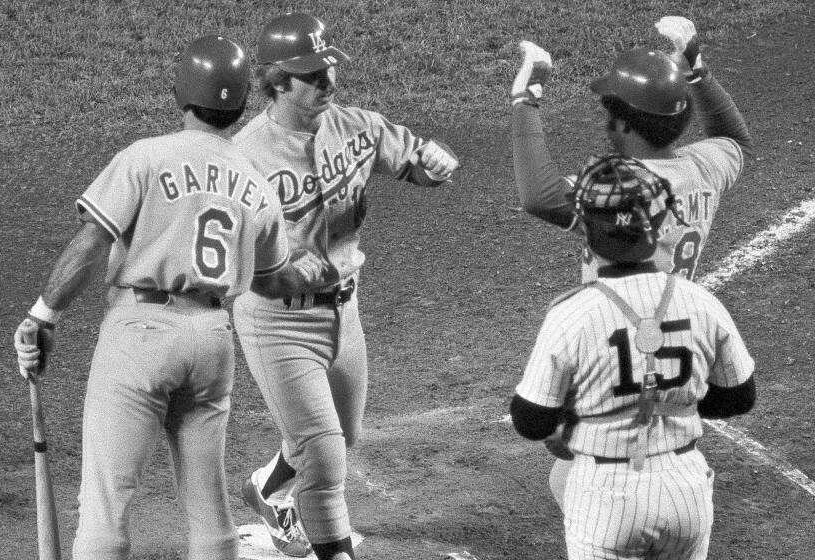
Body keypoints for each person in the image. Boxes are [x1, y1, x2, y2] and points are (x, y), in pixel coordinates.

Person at [12, 35, 324, 560]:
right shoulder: (256, 180)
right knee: (209, 507)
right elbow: (274, 280)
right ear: (245, 100)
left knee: (107, 503)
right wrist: (307, 273)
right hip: (212, 342)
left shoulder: (145, 157)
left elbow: (92, 243)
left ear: (179, 91)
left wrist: (43, 316)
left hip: (141, 335)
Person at [231, 12, 460, 560]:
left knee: (341, 435)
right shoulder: (244, 156)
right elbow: (228, 258)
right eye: (313, 75)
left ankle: (264, 489)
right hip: (277, 320)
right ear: (278, 80)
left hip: (344, 312)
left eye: (329, 68)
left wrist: (435, 163)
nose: (328, 82)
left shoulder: (356, 126)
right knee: (327, 459)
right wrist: (271, 272)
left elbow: (416, 165)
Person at [509, 16, 754, 509]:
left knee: (579, 478)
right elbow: (735, 139)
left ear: (623, 120)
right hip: (677, 330)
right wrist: (697, 67)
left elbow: (538, 196)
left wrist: (525, 98)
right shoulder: (706, 166)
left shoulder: (622, 192)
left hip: (613, 336)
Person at [510, 154, 756, 559]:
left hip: (608, 497)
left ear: (587, 232)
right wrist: (672, 400)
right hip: (687, 491)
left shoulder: (573, 314)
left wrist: (580, 419)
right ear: (660, 226)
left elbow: (531, 419)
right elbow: (739, 396)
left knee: (563, 480)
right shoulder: (700, 301)